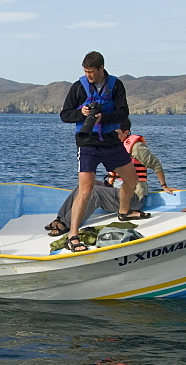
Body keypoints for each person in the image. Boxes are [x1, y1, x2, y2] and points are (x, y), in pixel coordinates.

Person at [58, 51, 142, 252]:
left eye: (92, 72)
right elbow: (65, 115)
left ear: (101, 69)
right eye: (85, 72)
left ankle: (124, 211)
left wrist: (102, 117)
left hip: (111, 142)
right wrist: (82, 113)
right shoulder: (78, 87)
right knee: (86, 189)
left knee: (132, 180)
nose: (89, 76)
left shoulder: (116, 85)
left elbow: (123, 113)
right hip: (88, 144)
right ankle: (73, 234)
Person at [45, 119, 175, 237]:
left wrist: (164, 186)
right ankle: (60, 218)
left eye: (116, 132)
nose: (113, 136)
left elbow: (156, 165)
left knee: (95, 192)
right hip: (117, 190)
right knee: (86, 186)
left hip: (134, 198)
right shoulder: (115, 147)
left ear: (126, 132)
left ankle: (67, 224)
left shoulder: (137, 147)